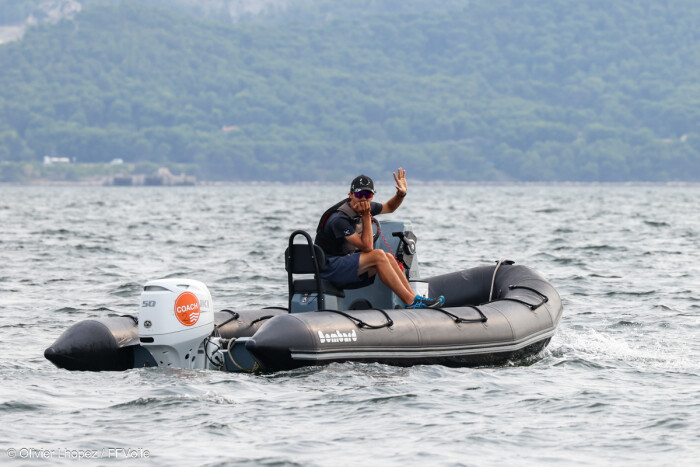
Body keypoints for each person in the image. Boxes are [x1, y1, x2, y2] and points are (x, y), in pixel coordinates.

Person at [314, 169, 445, 309]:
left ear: (372, 196)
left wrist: (401, 194)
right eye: (359, 195)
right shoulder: (339, 219)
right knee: (378, 255)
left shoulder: (366, 205)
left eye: (368, 195)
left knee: (388, 257)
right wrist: (366, 215)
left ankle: (413, 298)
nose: (363, 199)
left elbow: (390, 207)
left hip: (342, 263)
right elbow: (367, 247)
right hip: (329, 268)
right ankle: (411, 302)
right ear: (351, 195)